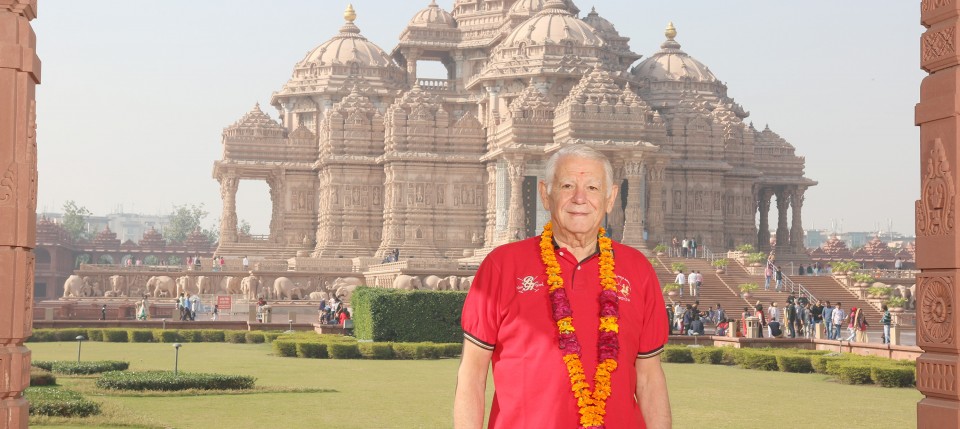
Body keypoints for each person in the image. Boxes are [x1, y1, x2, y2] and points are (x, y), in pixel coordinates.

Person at [455, 146, 671, 428]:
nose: (579, 198)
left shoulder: (637, 269)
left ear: (610, 198)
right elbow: (472, 373)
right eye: (567, 185)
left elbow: (649, 378)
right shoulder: (502, 266)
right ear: (546, 194)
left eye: (592, 187)